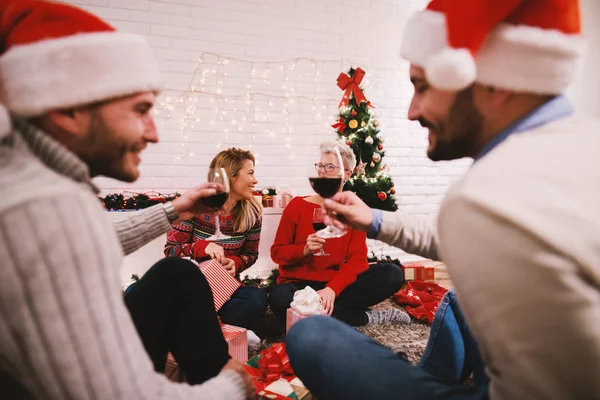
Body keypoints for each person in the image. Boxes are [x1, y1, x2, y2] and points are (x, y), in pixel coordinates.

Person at [285, 0, 600, 399]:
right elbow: (478, 241)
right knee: (456, 297)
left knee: (311, 334)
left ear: (496, 85)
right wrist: (375, 220)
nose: (413, 109)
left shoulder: (483, 199)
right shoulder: (580, 144)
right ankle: (436, 372)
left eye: (422, 85)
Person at [0, 1, 254, 399]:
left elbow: (85, 237)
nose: (153, 134)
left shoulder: (35, 178)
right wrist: (233, 386)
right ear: (69, 109)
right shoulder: (39, 205)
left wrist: (175, 210)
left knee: (178, 276)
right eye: (140, 110)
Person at [269, 140, 406, 327]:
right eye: (321, 165)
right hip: (298, 286)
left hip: (335, 285)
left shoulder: (351, 211)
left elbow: (357, 261)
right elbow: (277, 253)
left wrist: (332, 289)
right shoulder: (297, 206)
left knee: (392, 274)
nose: (322, 171)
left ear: (347, 173)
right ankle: (364, 318)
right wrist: (304, 250)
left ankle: (312, 312)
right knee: (279, 299)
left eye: (330, 166)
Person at [164, 148, 267, 346]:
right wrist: (201, 247)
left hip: (225, 289)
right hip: (191, 287)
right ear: (231, 176)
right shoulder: (195, 205)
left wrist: (235, 263)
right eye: (251, 173)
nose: (255, 181)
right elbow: (171, 251)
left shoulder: (252, 212)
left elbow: (251, 254)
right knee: (137, 292)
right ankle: (221, 330)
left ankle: (202, 327)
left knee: (256, 298)